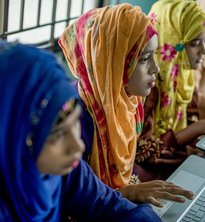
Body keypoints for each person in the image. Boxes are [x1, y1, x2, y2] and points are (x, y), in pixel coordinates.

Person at [0, 41, 161, 221]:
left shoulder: (65, 171)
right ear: (11, 136)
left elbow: (107, 204)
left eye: (75, 121)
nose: (78, 146)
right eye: (59, 134)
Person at [59, 4, 193, 208]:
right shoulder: (75, 119)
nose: (156, 68)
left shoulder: (129, 101)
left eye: (155, 55)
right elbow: (67, 200)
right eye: (145, 59)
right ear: (112, 63)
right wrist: (125, 193)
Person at [134, 0, 205, 182]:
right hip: (148, 178)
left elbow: (191, 116)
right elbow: (142, 152)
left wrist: (188, 147)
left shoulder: (184, 76)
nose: (203, 51)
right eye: (194, 44)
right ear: (172, 42)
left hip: (174, 165)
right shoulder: (149, 85)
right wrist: (198, 128)